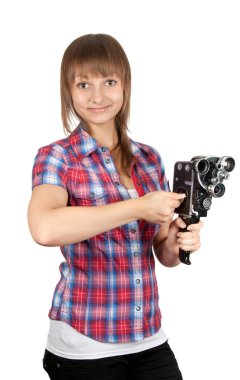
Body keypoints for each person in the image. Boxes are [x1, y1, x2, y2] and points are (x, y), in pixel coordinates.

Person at [28, 34, 203, 380]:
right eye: (83, 84)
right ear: (68, 91)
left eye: (109, 81)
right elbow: (44, 228)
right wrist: (138, 207)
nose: (97, 96)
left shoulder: (149, 159)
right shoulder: (57, 157)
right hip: (85, 343)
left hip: (148, 336)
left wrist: (177, 241)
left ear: (125, 86)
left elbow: (161, 254)